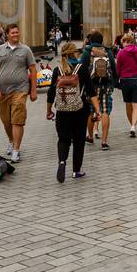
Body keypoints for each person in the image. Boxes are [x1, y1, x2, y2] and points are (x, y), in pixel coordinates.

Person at [46, 41, 96, 183]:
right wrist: (97, 110)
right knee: (79, 141)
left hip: (62, 110)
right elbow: (91, 91)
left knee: (63, 139)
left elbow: (50, 93)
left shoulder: (58, 70)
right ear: (74, 53)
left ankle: (62, 162)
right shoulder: (82, 69)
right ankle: (76, 171)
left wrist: (49, 110)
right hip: (80, 110)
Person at [0, 23, 37, 162]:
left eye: (17, 32)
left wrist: (33, 90)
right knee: (6, 121)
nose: (16, 34)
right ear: (7, 34)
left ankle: (16, 150)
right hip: (3, 92)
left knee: (17, 120)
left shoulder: (25, 50)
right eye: (13, 33)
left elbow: (33, 70)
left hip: (20, 90)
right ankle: (11, 141)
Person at [83, 30, 116, 148]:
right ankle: (104, 141)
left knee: (91, 111)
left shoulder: (87, 51)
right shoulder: (107, 51)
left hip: (91, 86)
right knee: (105, 111)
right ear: (102, 41)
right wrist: (115, 83)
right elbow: (113, 67)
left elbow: (82, 68)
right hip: (106, 85)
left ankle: (90, 137)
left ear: (90, 40)